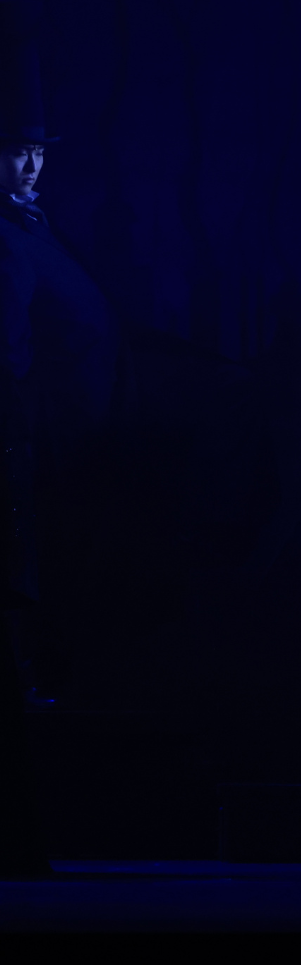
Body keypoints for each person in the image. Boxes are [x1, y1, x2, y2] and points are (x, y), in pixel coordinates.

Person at [0, 35, 114, 708]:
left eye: (39, 152)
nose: (32, 165)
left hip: (69, 433)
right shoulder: (6, 238)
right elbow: (8, 348)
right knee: (24, 564)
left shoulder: (31, 223)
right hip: (30, 436)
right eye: (18, 151)